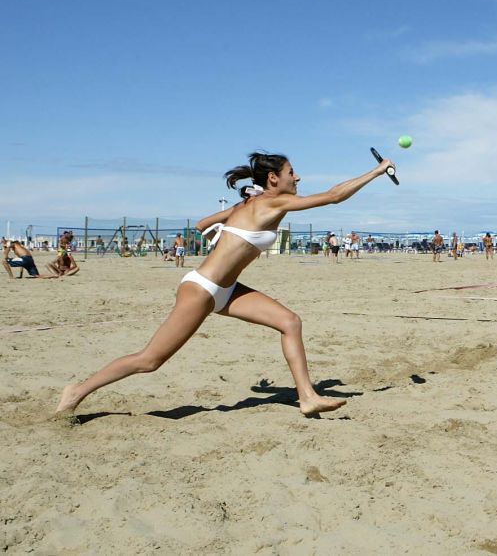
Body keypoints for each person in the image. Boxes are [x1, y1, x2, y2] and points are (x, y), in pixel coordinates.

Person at [56, 150, 396, 416]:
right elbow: (335, 196)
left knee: (290, 322)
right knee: (150, 360)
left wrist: (241, 206)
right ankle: (77, 391)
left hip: (227, 291)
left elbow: (204, 222)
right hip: (202, 289)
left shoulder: (259, 202)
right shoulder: (272, 201)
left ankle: (307, 397)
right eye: (293, 172)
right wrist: (378, 170)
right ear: (274, 179)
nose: (299, 177)